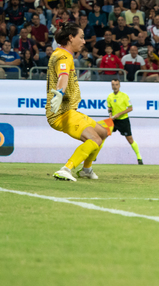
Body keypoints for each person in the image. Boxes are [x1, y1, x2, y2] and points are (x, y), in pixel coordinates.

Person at [46, 23, 113, 182]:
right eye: (81, 37)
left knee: (103, 133)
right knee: (94, 139)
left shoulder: (63, 54)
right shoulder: (63, 56)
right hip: (62, 113)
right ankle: (66, 168)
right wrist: (60, 93)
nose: (84, 41)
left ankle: (86, 169)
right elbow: (63, 76)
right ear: (71, 38)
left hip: (70, 110)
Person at [107, 79, 143, 164]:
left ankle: (139, 158)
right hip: (113, 120)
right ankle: (93, 157)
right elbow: (109, 108)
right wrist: (110, 116)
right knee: (102, 136)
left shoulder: (124, 96)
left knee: (130, 139)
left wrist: (119, 114)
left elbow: (130, 108)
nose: (115, 86)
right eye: (113, 85)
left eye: (116, 84)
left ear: (119, 86)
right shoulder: (109, 97)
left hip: (123, 120)